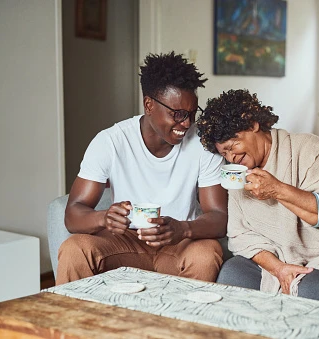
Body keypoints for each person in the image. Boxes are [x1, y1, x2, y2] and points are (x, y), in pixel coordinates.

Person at [56, 52, 228, 285]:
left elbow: (219, 217)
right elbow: (72, 215)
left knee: (206, 253)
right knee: (75, 249)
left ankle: (181, 321)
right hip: (125, 242)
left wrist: (183, 229)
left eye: (191, 113)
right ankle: (73, 321)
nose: (186, 123)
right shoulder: (111, 142)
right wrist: (104, 218)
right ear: (149, 105)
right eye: (177, 114)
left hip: (180, 243)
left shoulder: (202, 144)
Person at [196, 89, 319, 304]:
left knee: (311, 289)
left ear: (253, 125)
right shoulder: (237, 173)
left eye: (232, 146)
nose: (231, 157)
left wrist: (277, 190)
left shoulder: (308, 149)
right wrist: (278, 268)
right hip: (281, 254)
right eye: (224, 153)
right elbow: (239, 235)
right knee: (232, 274)